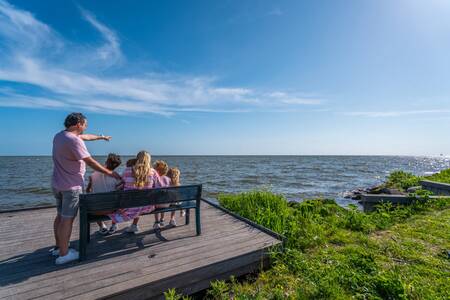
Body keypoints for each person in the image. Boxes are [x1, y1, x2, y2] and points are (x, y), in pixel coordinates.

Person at [51, 112, 121, 265]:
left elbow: (86, 137)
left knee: (60, 216)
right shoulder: (74, 141)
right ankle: (64, 254)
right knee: (67, 220)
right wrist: (110, 173)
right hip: (71, 186)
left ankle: (58, 247)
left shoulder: (60, 136)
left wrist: (101, 137)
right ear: (78, 124)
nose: (85, 127)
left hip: (57, 184)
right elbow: (90, 162)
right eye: (85, 124)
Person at [108, 150, 161, 233]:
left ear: (137, 159)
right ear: (149, 160)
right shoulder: (153, 172)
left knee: (123, 198)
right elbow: (159, 188)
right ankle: (134, 225)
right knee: (140, 200)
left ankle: (114, 225)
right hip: (147, 207)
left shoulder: (127, 170)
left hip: (129, 207)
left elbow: (121, 183)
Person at [86, 153, 122, 235]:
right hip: (112, 210)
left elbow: (88, 191)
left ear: (106, 162)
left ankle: (102, 226)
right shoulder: (117, 177)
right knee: (118, 200)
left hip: (95, 211)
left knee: (94, 201)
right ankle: (113, 225)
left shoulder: (93, 175)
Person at [153, 160, 171, 227]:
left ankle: (157, 221)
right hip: (166, 204)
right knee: (164, 197)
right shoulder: (168, 179)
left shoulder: (155, 179)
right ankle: (162, 219)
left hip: (157, 205)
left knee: (156, 200)